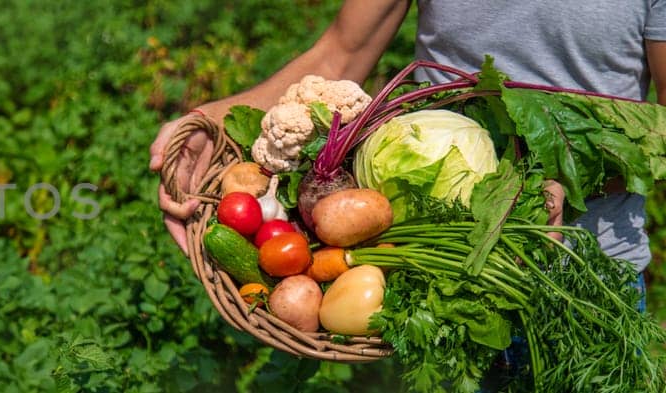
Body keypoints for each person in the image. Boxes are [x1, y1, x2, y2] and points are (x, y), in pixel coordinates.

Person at [150, 0, 666, 387]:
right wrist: (207, 121)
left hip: (588, 296)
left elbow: (660, 133)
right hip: (436, 291)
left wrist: (560, 178)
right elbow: (342, 53)